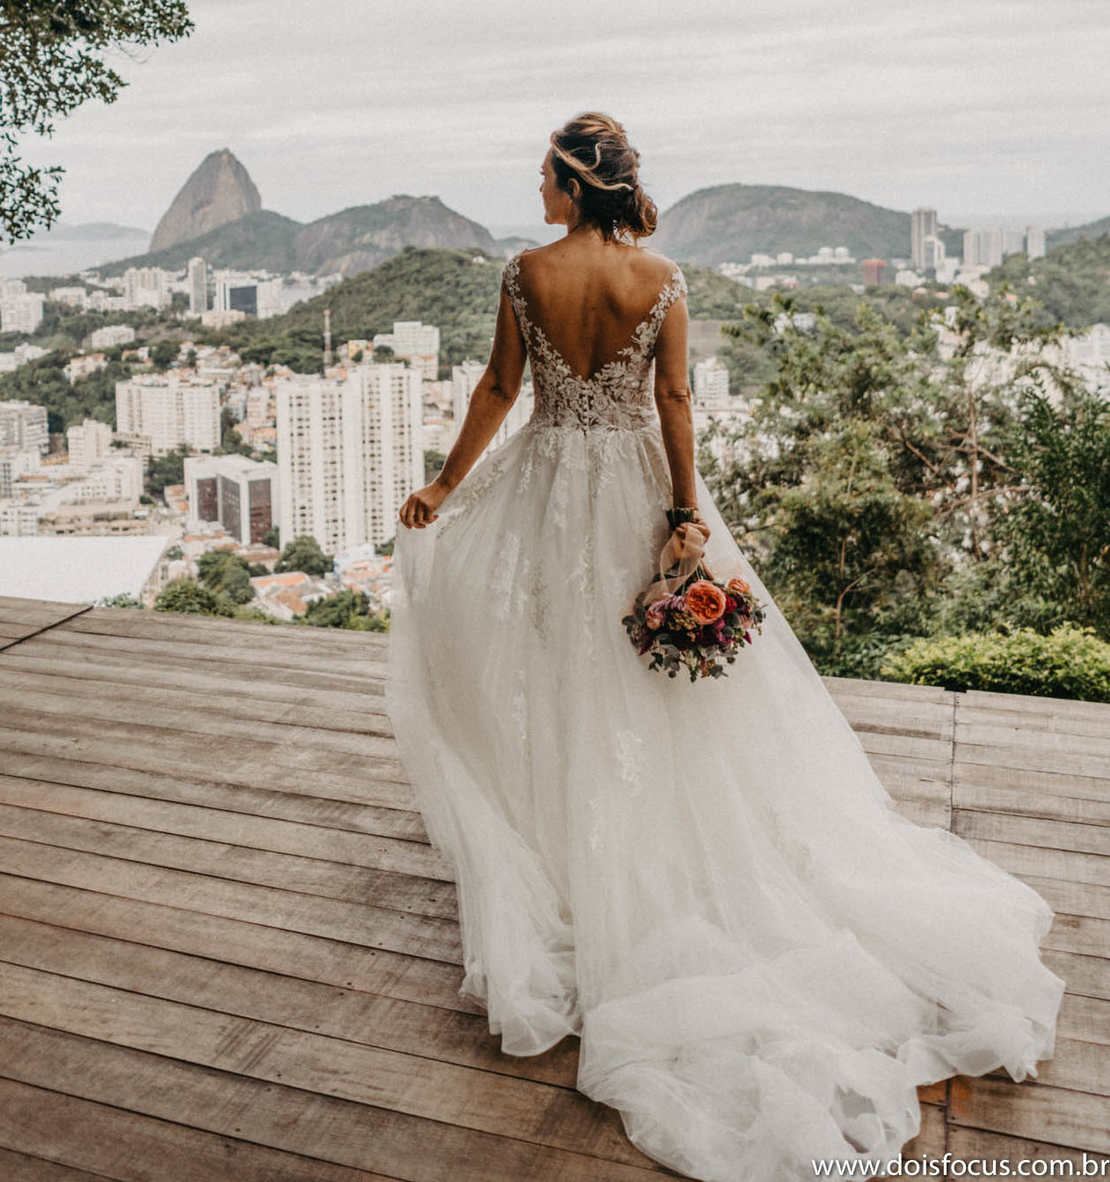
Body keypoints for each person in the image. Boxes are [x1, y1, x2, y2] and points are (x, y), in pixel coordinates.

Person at [386, 111, 1063, 1182]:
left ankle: (578, 861)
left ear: (573, 183)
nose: (536, 195)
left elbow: (500, 392)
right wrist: (685, 517)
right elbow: (674, 401)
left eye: (544, 178)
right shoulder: (661, 279)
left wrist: (441, 485)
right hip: (634, 495)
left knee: (562, 673)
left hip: (549, 493)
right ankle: (635, 851)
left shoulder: (525, 273)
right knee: (649, 689)